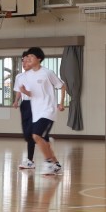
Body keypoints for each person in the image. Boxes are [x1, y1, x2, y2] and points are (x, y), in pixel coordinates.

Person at [18, 47, 65, 175]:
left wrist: (61, 103)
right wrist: (25, 92)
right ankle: (55, 164)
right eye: (27, 57)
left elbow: (62, 86)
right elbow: (33, 93)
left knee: (36, 136)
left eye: (31, 56)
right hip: (36, 112)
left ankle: (48, 163)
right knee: (41, 139)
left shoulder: (47, 73)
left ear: (39, 59)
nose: (28, 59)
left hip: (48, 110)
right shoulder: (28, 76)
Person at [13, 51, 37, 169]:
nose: (24, 63)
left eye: (27, 60)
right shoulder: (19, 77)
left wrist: (25, 92)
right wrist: (16, 101)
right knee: (27, 133)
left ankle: (30, 160)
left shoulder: (37, 76)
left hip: (36, 104)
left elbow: (37, 93)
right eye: (23, 60)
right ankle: (43, 138)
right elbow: (19, 90)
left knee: (31, 132)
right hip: (25, 104)